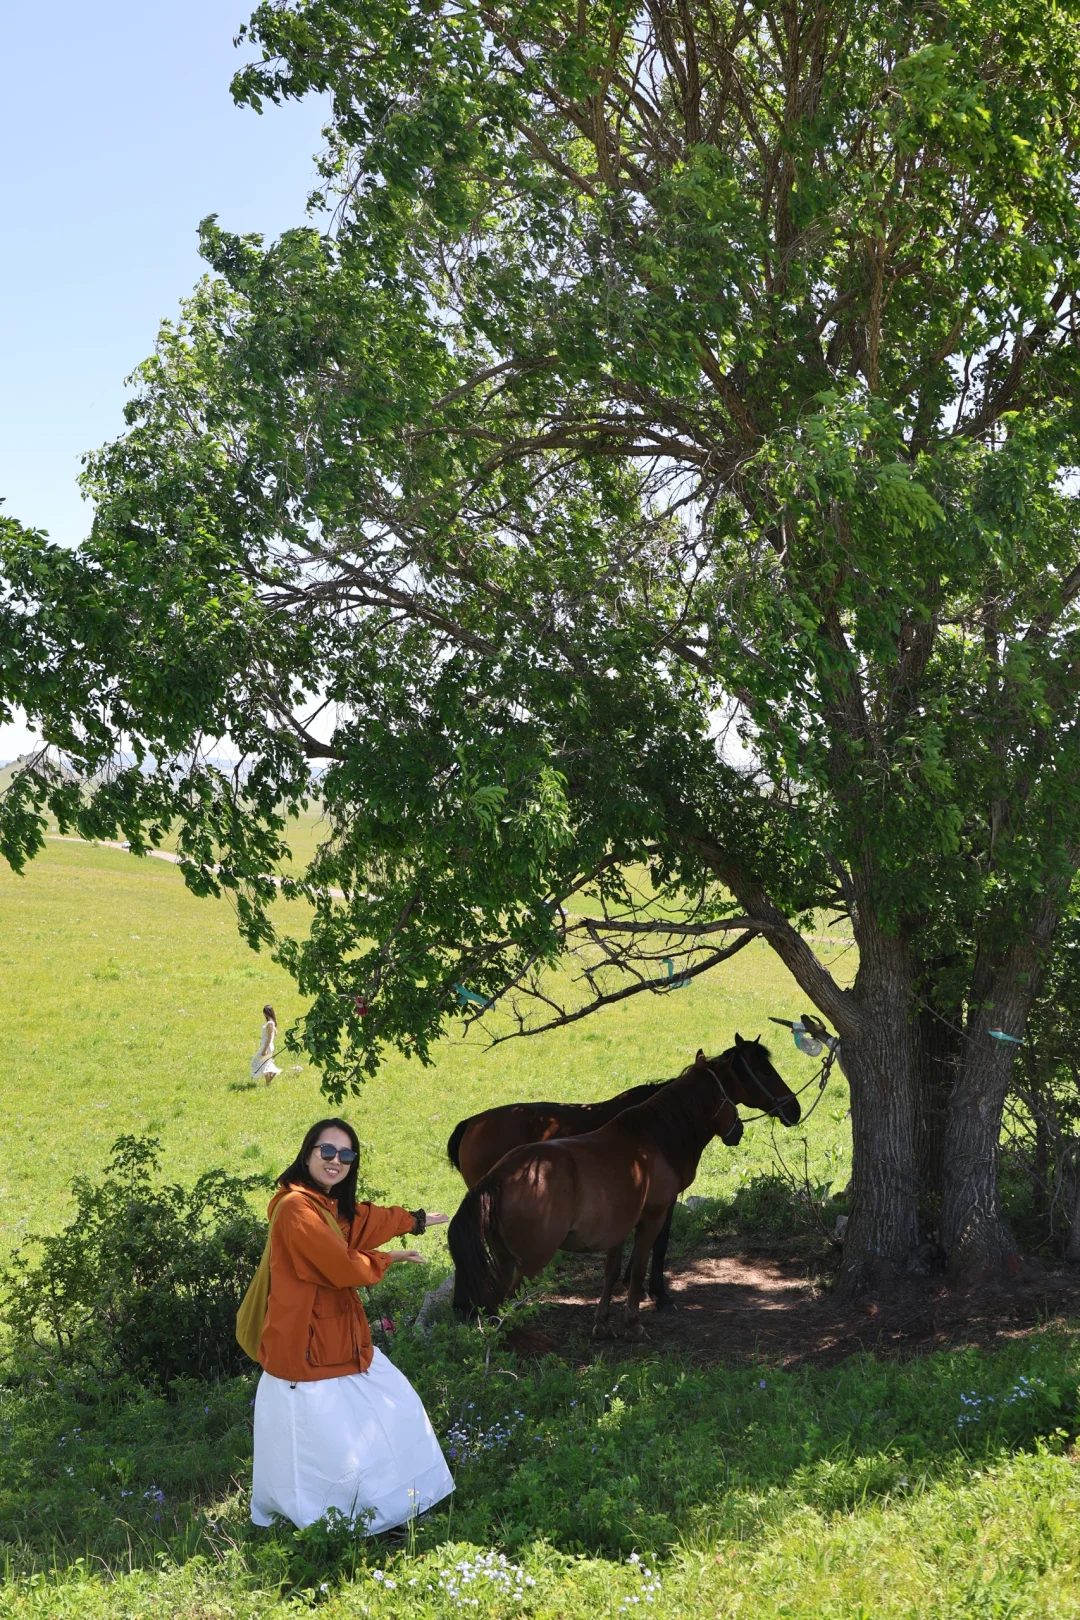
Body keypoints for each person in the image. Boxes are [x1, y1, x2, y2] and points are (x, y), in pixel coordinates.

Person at [251, 1117, 454, 1534]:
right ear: (308, 1153)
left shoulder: (322, 1205)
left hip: (332, 1337)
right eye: (327, 1151)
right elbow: (341, 1265)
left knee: (393, 1406)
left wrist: (412, 1219)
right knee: (329, 1442)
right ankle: (344, 1520)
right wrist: (388, 1258)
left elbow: (362, 1221)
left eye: (345, 1155)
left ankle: (390, 1506)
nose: (335, 1161)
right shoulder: (295, 1209)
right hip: (305, 1346)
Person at [251, 1004, 282, 1085]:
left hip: (267, 1047)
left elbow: (270, 1037)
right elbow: (275, 1034)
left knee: (255, 1062)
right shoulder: (272, 1022)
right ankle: (268, 1082)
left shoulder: (270, 1023)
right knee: (265, 1064)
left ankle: (272, 1073)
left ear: (265, 1013)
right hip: (268, 1046)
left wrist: (264, 1049)